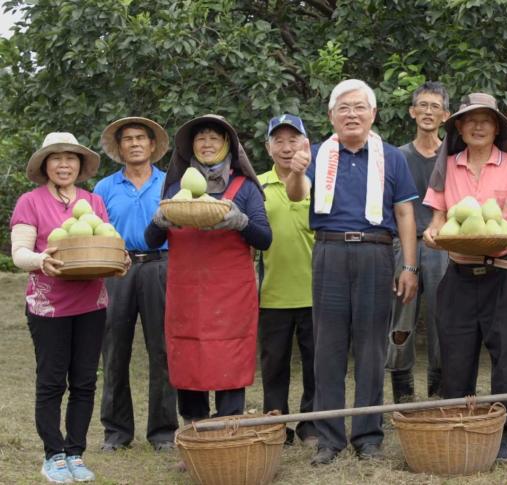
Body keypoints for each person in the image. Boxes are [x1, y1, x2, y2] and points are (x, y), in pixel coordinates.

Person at [286, 79, 419, 465]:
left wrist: (408, 265)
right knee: (327, 346)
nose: (352, 114)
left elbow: (405, 213)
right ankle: (329, 437)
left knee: (371, 347)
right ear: (331, 116)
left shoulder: (392, 157)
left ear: (373, 114)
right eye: (343, 108)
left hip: (376, 254)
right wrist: (295, 171)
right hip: (329, 251)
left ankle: (368, 436)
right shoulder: (314, 154)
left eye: (360, 107)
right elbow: (297, 195)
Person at [422, 93, 507, 463]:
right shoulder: (448, 165)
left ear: (497, 127)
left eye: (485, 120)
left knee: (506, 358)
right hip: (458, 273)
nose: (477, 126)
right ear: (458, 126)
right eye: (470, 120)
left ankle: (504, 435)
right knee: (455, 357)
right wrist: (431, 232)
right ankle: (460, 424)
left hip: (502, 273)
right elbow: (439, 218)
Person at [10, 132, 129, 483]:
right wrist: (40, 259)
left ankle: (76, 452)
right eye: (56, 158)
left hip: (91, 304)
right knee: (51, 381)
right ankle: (54, 455)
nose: (64, 164)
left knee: (84, 381)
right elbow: (20, 253)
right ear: (45, 165)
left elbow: (105, 244)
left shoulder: (94, 202)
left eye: (71, 158)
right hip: (48, 307)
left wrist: (119, 260)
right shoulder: (30, 202)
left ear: (80, 164)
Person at [145, 114, 271, 427]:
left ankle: (228, 432)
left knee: (229, 357)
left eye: (215, 137)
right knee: (188, 359)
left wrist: (241, 221)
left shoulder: (244, 189)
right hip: (187, 294)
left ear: (228, 144)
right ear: (190, 147)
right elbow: (152, 240)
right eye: (200, 137)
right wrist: (160, 221)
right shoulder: (176, 189)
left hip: (230, 297)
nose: (207, 143)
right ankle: (194, 434)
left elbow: (265, 239)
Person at [95, 117, 178, 452]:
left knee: (162, 350)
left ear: (153, 145)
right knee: (114, 349)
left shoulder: (169, 183)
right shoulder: (104, 188)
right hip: (117, 268)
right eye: (127, 139)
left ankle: (162, 432)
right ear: (120, 148)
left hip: (161, 266)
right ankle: (116, 432)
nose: (134, 143)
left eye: (140, 138)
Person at [386, 81, 450, 403]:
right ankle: (403, 390)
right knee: (402, 318)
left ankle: (438, 390)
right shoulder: (397, 157)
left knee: (443, 319)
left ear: (445, 115)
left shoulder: (453, 157)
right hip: (404, 247)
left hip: (442, 247)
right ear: (412, 112)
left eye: (434, 106)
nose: (427, 112)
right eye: (422, 106)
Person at [257, 114, 318, 446]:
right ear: (268, 147)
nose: (286, 147)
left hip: (315, 291)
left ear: (305, 144)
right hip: (272, 294)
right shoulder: (257, 184)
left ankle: (311, 425)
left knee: (315, 365)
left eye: (293, 140)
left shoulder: (319, 180)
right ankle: (276, 424)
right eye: (278, 140)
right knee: (275, 366)